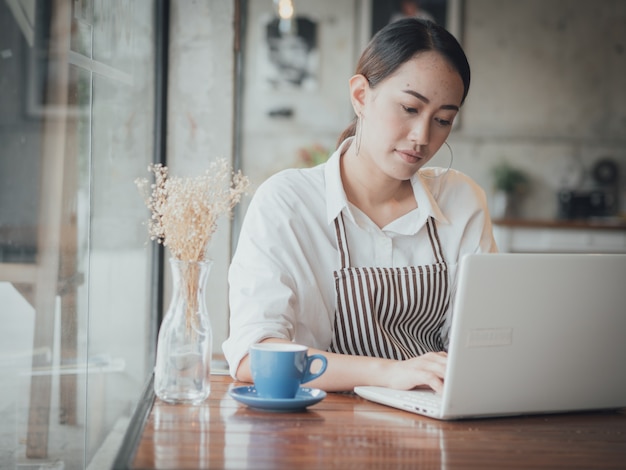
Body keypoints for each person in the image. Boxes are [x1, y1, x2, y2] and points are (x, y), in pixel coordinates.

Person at [223, 18, 498, 394]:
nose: (422, 137)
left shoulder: (462, 200)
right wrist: (388, 373)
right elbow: (252, 357)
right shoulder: (287, 202)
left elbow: (479, 346)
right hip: (318, 429)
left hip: (430, 423)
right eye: (408, 108)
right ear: (360, 96)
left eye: (443, 119)